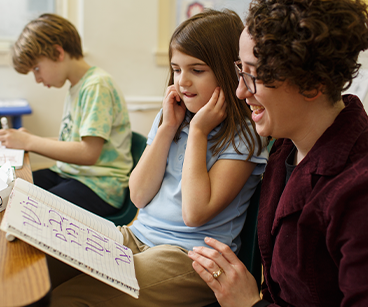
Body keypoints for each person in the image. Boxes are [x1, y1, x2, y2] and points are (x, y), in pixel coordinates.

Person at [47, 9, 268, 306]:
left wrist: (199, 133)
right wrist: (167, 128)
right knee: (42, 267)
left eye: (197, 70)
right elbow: (138, 195)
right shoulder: (174, 118)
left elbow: (194, 213)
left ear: (229, 71)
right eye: (177, 69)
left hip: (189, 258)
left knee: (69, 298)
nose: (182, 82)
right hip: (136, 236)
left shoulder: (244, 135)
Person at [188, 0, 368, 306]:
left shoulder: (358, 190)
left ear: (311, 84)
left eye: (254, 75)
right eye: (240, 71)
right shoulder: (284, 148)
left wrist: (249, 303)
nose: (240, 92)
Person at [0, 14, 133, 217]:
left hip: (99, 187)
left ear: (57, 52)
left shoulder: (96, 85)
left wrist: (30, 141)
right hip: (72, 175)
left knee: (26, 209)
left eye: (37, 69)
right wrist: (28, 140)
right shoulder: (77, 87)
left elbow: (88, 153)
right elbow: (71, 142)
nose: (37, 79)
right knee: (14, 189)